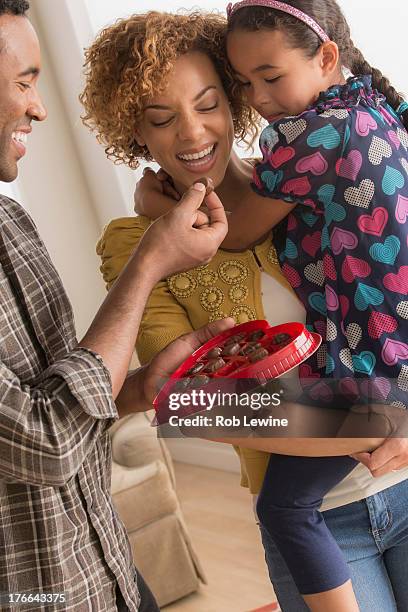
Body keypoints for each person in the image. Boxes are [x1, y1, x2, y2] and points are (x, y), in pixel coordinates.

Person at [82, 9, 408, 612]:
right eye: (160, 119)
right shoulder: (138, 244)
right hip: (325, 525)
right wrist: (384, 425)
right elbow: (187, 404)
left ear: (237, 99)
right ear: (136, 134)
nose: (190, 133)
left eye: (208, 103)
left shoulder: (305, 181)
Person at [0, 2, 233, 611]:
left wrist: (132, 390)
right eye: (23, 82)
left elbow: (58, 410)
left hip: (109, 570)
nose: (38, 106)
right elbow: (46, 443)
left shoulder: (12, 224)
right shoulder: (136, 243)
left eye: (209, 103)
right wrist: (150, 261)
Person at [220, 0, 408, 610]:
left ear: (326, 57)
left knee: (284, 506)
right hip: (397, 357)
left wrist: (156, 206)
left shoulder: (309, 135)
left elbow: (239, 230)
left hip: (368, 371)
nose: (258, 98)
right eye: (245, 84)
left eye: (271, 77)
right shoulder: (378, 112)